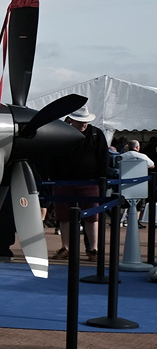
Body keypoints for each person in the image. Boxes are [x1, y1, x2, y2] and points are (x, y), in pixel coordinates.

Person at [52, 107, 109, 260]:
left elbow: (103, 157)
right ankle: (66, 247)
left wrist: (102, 178)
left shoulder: (96, 134)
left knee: (92, 217)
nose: (84, 124)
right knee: (64, 217)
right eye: (81, 122)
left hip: (89, 181)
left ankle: (93, 249)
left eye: (86, 122)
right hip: (64, 181)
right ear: (72, 120)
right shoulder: (62, 133)